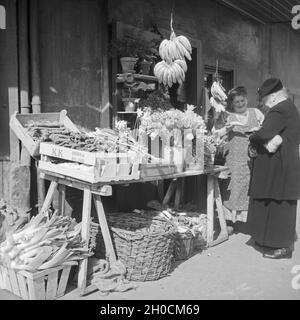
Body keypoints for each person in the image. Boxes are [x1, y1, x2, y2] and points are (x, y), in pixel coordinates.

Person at [247, 78, 300, 259]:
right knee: (276, 202)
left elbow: (264, 133)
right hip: (283, 165)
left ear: (275, 96)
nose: (264, 102)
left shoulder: (280, 109)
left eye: (266, 98)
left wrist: (252, 136)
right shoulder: (288, 108)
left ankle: (283, 247)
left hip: (280, 166)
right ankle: (268, 240)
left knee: (280, 204)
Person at [214, 86, 264, 224]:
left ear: (246, 99)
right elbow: (214, 135)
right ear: (232, 104)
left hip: (252, 158)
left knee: (250, 188)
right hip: (233, 159)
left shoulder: (256, 113)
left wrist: (259, 130)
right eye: (237, 102)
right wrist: (226, 129)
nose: (241, 104)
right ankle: (229, 221)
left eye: (243, 100)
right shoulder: (227, 116)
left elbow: (266, 129)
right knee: (232, 189)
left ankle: (250, 221)